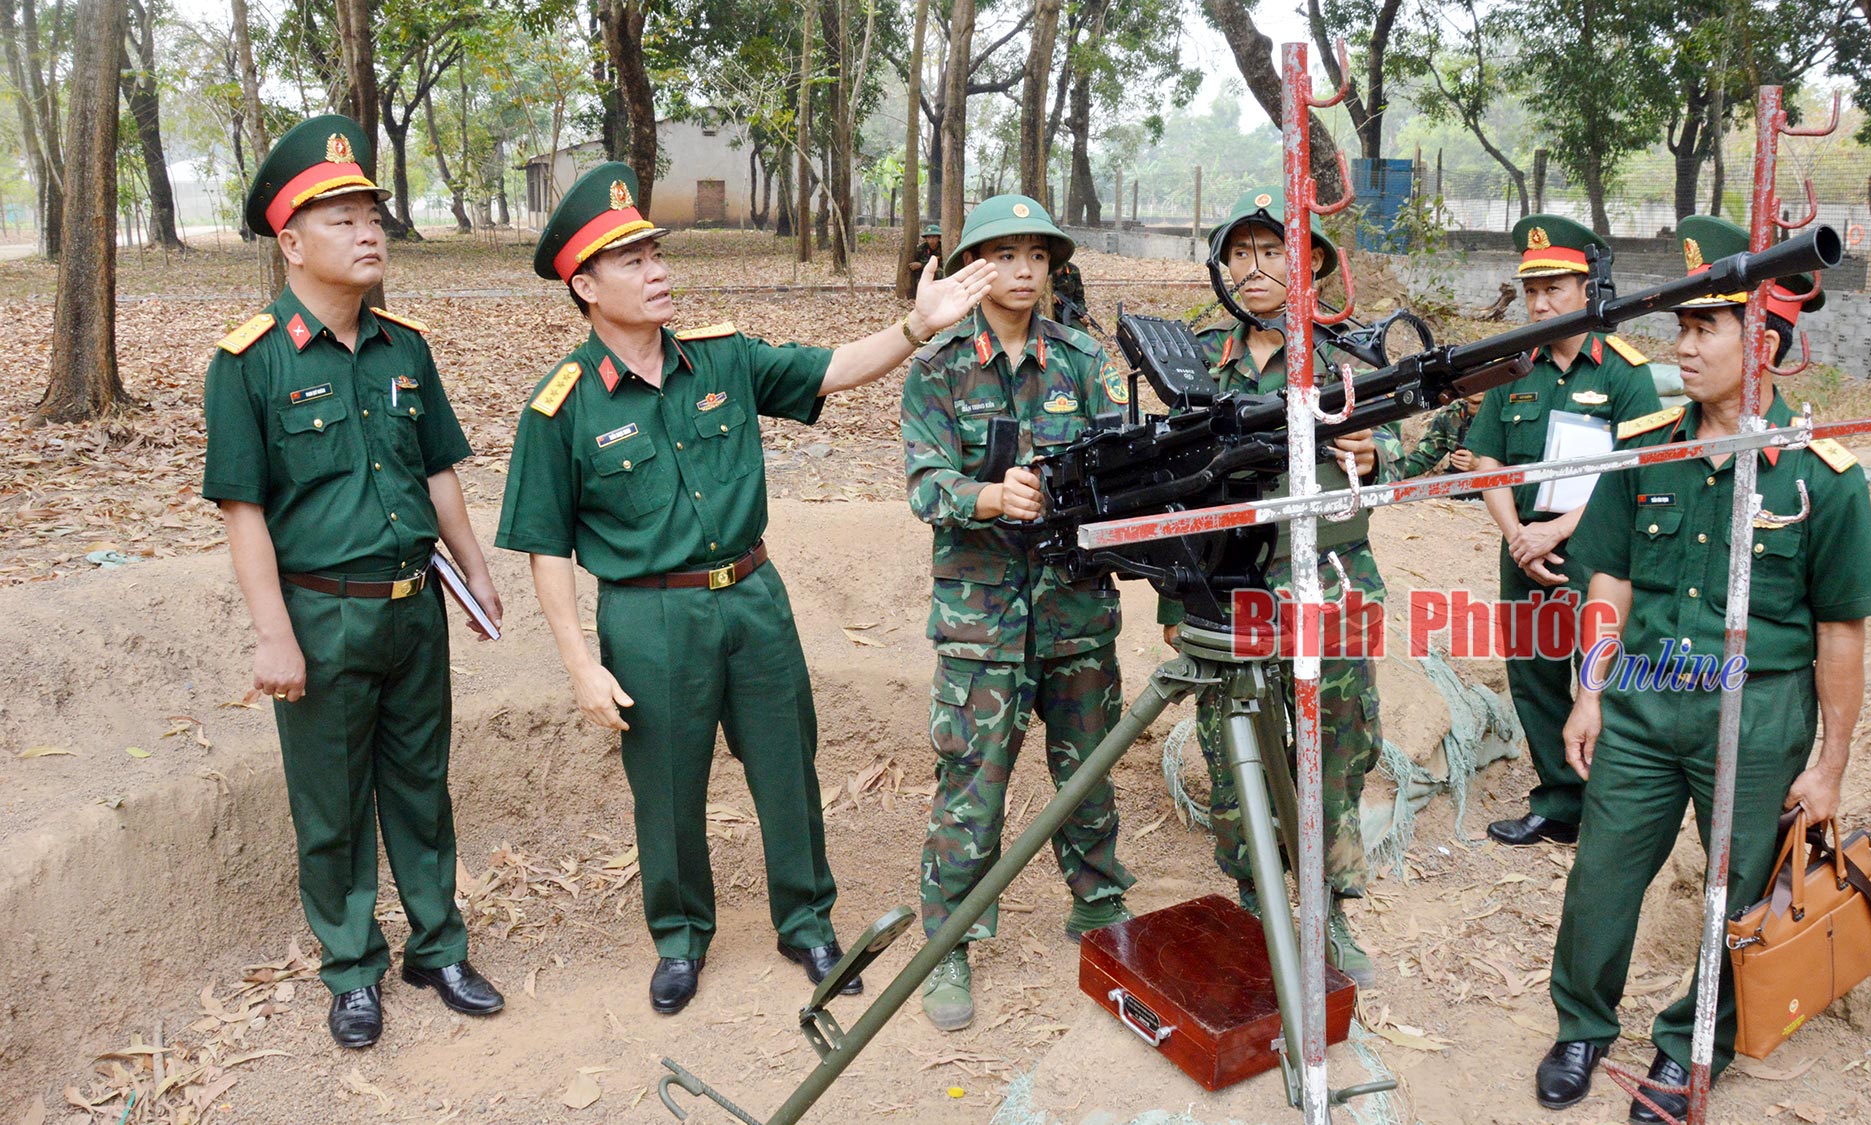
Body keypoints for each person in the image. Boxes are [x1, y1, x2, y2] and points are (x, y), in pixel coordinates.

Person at [497, 163, 994, 1017]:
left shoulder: (723, 355)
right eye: (630, 260)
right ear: (583, 284)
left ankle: (805, 919)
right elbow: (544, 547)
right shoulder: (562, 408)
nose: (656, 270)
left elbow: (835, 369)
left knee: (785, 767)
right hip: (649, 614)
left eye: (655, 252)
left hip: (755, 597)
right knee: (668, 783)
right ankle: (681, 937)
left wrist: (915, 324)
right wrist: (579, 661)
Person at [1533, 216, 1871, 1122]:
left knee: (1741, 898)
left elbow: (1841, 630)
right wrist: (1589, 687)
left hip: (1761, 714)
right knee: (1604, 872)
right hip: (1646, 700)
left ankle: (1688, 1048)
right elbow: (1609, 574)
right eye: (1680, 328)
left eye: (1707, 329)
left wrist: (1829, 764)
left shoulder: (1820, 476)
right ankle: (1581, 1023)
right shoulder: (1649, 445)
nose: (1684, 348)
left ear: (1763, 339)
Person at [201, 114, 506, 1049]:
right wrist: (272, 633)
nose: (369, 229)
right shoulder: (248, 361)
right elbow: (243, 509)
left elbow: (439, 468)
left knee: (422, 784)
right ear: (290, 242)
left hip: (416, 606)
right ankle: (351, 967)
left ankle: (438, 944)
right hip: (322, 615)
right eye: (341, 218)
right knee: (331, 799)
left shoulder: (405, 347)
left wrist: (477, 570)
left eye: (371, 212)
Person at [901, 195, 1136, 1032]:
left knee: (1088, 772)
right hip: (983, 623)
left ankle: (1101, 910)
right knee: (971, 788)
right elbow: (926, 484)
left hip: (1074, 613)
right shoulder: (937, 368)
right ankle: (949, 947)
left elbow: (1128, 459)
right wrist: (990, 496)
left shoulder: (1083, 359)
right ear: (974, 266)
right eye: (1005, 254)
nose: (1025, 270)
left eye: (1037, 255)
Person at [1166, 186, 1403, 986]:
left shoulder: (1346, 356)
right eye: (1240, 253)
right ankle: (1253, 900)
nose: (1254, 268)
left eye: (1273, 252)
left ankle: (1327, 908)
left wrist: (1376, 453)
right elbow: (1173, 493)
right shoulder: (1196, 358)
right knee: (1235, 750)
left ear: (1309, 265)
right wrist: (1176, 604)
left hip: (1330, 587)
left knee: (1335, 750)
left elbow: (1400, 440)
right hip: (1229, 586)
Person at [1466, 214, 1663, 848]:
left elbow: (1632, 472)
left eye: (1556, 287)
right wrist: (1519, 533)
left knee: (1606, 670)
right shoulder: (1513, 369)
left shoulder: (1624, 373)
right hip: (1523, 549)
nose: (1542, 302)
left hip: (1602, 553)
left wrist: (1557, 532)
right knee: (1535, 670)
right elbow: (1487, 460)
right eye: (1533, 290)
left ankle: (1615, 807)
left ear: (1588, 290)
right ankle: (1560, 803)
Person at [1397, 392, 1484, 479]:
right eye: (1473, 383)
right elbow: (1424, 458)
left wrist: (1479, 466)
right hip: (1458, 482)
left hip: (1492, 483)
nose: (1479, 388)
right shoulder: (1450, 415)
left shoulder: (1496, 414)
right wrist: (1390, 472)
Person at [1050, 256, 1088, 328]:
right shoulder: (1043, 269)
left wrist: (1083, 314)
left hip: (1070, 316)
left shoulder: (1073, 270)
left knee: (1083, 336)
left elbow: (1079, 298)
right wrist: (1048, 297)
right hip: (1045, 316)